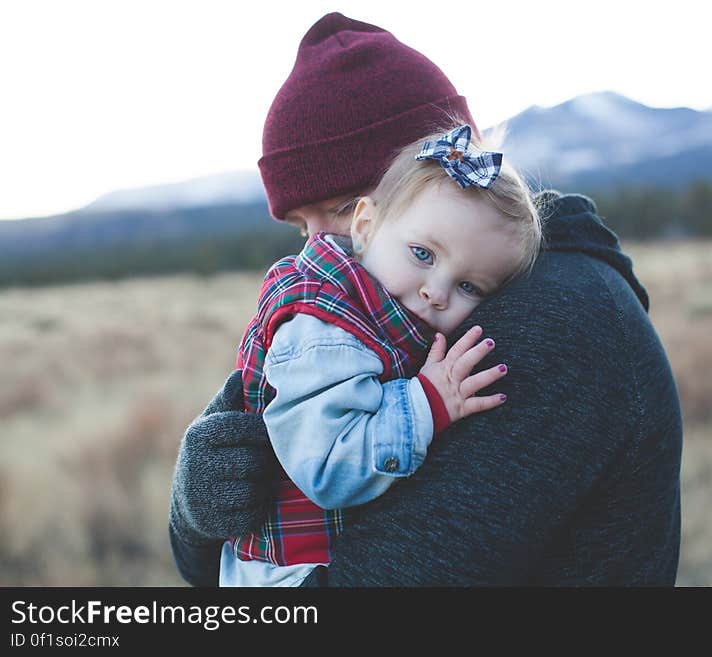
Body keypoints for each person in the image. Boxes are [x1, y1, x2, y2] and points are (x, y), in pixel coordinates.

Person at [169, 12, 683, 586]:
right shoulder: (381, 313)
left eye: (340, 209)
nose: (318, 250)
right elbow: (208, 565)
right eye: (299, 227)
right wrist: (198, 508)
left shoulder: (550, 322)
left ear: (441, 171)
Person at [223, 124, 542, 586]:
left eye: (469, 286)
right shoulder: (323, 329)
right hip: (289, 575)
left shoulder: (384, 310)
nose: (436, 292)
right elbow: (329, 467)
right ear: (365, 226)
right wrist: (427, 403)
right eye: (422, 254)